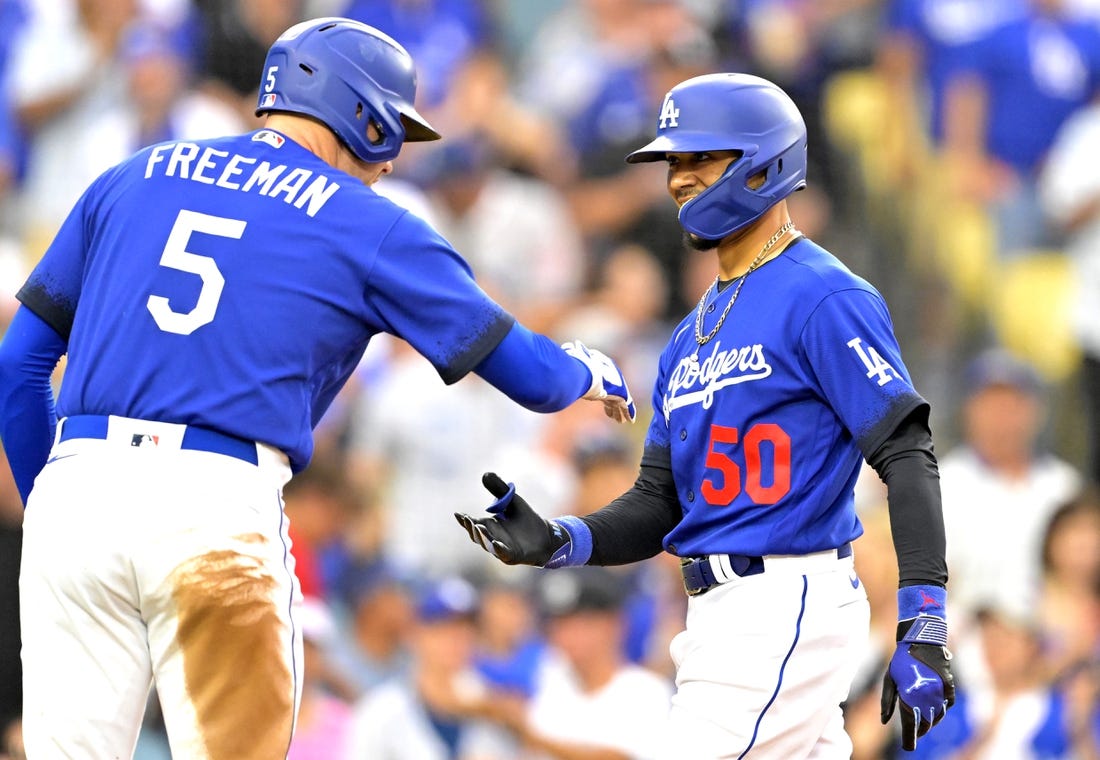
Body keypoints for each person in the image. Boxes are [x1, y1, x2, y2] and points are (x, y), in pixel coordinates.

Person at [0, 17, 636, 758]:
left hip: (77, 494)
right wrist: (589, 368)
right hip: (210, 503)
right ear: (360, 115)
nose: (395, 158)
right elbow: (530, 376)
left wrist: (50, 500)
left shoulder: (131, 173)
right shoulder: (366, 222)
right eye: (393, 128)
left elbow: (19, 363)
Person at [456, 72, 955, 758]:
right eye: (673, 161)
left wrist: (923, 617)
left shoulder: (823, 293)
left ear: (763, 161)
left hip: (784, 597)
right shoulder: (690, 333)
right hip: (719, 613)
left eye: (699, 158)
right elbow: (659, 503)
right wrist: (561, 539)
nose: (678, 179)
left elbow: (907, 451)